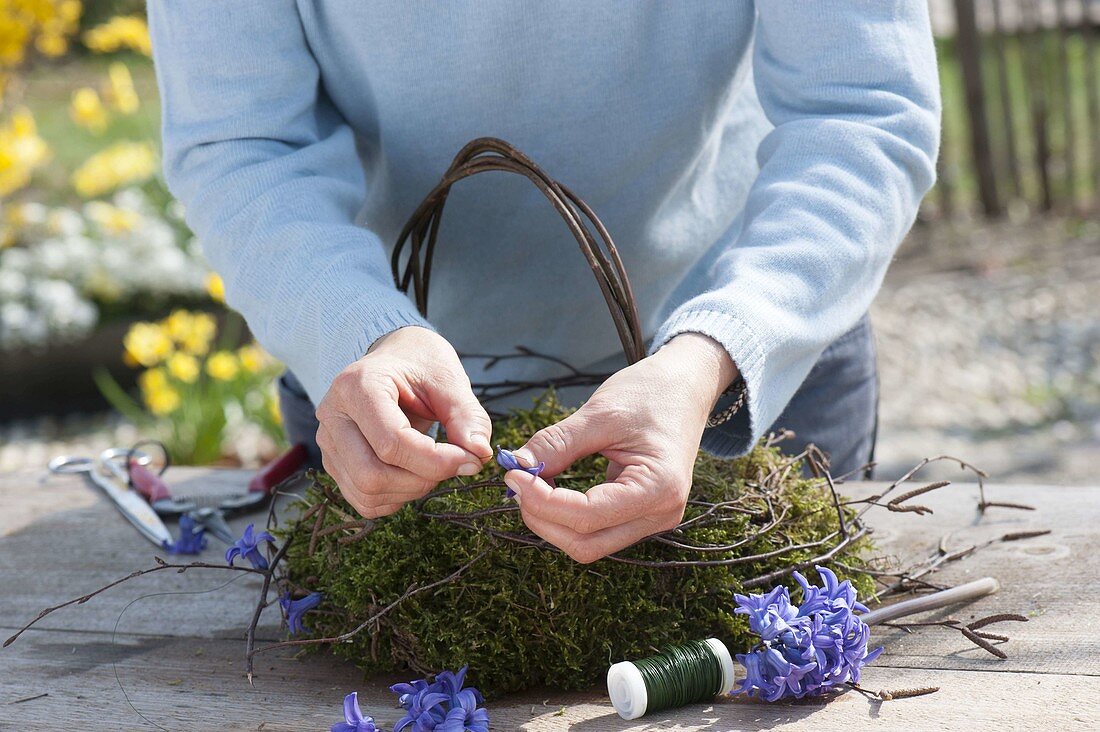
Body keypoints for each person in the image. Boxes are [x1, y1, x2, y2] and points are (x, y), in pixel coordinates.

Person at [149, 2, 940, 564]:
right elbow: (241, 141)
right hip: (391, 403)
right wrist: (361, 329)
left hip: (743, 363)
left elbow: (863, 105)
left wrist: (715, 350)